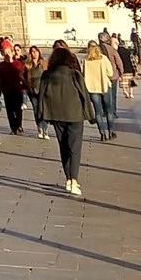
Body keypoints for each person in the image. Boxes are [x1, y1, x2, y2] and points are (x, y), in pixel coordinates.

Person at [38, 46, 93, 195]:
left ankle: (68, 178)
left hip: (56, 115)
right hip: (75, 114)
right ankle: (74, 180)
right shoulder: (74, 74)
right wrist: (90, 114)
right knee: (74, 147)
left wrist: (40, 114)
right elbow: (84, 95)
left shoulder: (47, 75)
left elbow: (41, 95)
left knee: (63, 146)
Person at [83, 41, 118, 140]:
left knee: (98, 112)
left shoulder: (86, 60)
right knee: (109, 110)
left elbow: (83, 74)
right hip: (104, 86)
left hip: (92, 88)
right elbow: (110, 73)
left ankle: (102, 133)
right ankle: (111, 131)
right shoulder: (103, 58)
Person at [0, 48, 28, 135]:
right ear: (3, 54)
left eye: (9, 52)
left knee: (18, 109)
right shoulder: (1, 65)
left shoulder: (18, 63)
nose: (7, 54)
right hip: (7, 90)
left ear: (12, 53)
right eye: (5, 52)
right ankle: (13, 127)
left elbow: (22, 75)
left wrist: (25, 84)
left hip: (17, 89)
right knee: (9, 110)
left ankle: (19, 125)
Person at [25, 44, 47, 135]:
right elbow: (21, 75)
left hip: (42, 90)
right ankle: (39, 128)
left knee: (43, 109)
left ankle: (44, 129)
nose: (34, 54)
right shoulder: (28, 65)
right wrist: (26, 83)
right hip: (32, 90)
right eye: (32, 52)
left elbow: (47, 74)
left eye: (36, 51)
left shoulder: (43, 63)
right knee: (36, 109)